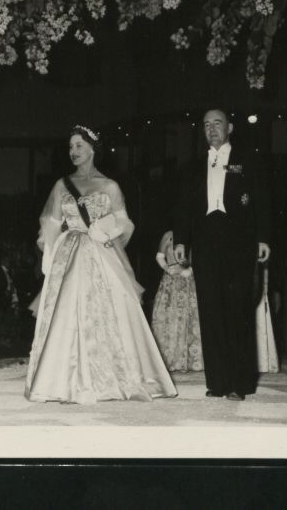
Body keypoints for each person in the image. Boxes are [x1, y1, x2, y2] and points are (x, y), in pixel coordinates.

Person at [25, 125, 177, 404]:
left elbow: (124, 223)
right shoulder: (61, 185)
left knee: (105, 312)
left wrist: (105, 229)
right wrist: (51, 249)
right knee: (66, 312)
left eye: (79, 146)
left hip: (99, 254)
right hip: (69, 253)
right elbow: (49, 221)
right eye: (71, 147)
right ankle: (61, 380)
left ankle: (106, 378)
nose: (73, 151)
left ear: (93, 148)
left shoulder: (110, 186)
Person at [174, 108, 271, 401]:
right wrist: (181, 240)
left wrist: (263, 238)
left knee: (238, 309)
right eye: (206, 125)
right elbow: (183, 205)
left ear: (230, 127)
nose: (212, 129)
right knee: (211, 310)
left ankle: (240, 383)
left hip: (239, 240)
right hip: (205, 241)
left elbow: (264, 200)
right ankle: (217, 382)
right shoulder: (193, 165)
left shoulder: (249, 160)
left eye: (217, 123)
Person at [150, 230, 204, 371]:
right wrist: (167, 269)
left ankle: (192, 361)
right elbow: (159, 256)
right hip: (171, 282)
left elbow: (203, 258)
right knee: (170, 317)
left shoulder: (196, 234)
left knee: (191, 318)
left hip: (190, 282)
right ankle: (170, 359)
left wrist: (189, 270)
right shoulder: (168, 235)